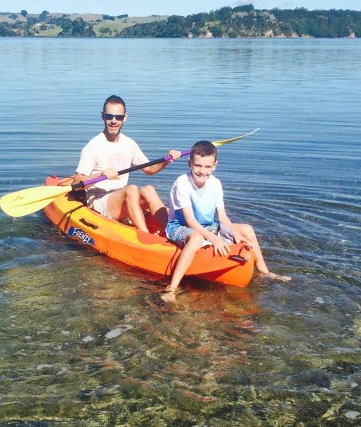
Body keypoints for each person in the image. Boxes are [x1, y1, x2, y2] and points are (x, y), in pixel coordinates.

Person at [162, 140, 290, 301]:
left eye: (207, 167)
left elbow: (223, 218)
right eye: (198, 166)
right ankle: (171, 289)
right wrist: (214, 239)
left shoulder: (216, 184)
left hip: (208, 226)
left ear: (215, 165)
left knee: (247, 229)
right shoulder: (182, 183)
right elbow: (190, 221)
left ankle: (265, 272)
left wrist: (233, 233)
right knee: (196, 238)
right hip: (180, 226)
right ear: (189, 163)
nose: (202, 171)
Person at [72, 95, 181, 233]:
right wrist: (100, 174)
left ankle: (173, 233)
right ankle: (145, 236)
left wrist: (167, 159)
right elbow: (76, 183)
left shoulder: (129, 144)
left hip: (124, 198)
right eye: (109, 116)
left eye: (118, 117)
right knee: (131, 189)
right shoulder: (93, 147)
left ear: (125, 117)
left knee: (149, 190)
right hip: (100, 201)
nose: (113, 121)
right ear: (102, 116)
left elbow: (149, 169)